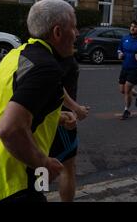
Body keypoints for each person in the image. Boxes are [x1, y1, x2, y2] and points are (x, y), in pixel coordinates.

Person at [0, 0, 78, 202]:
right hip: (14, 185)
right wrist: (43, 163)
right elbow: (9, 129)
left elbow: (8, 106)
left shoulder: (15, 55)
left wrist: (59, 117)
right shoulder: (46, 67)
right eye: (74, 27)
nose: (77, 34)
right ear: (57, 32)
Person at [49, 56, 90, 202]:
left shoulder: (26, 53)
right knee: (66, 167)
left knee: (41, 166)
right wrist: (74, 111)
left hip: (47, 120)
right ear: (57, 32)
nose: (77, 33)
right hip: (60, 122)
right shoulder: (58, 59)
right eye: (72, 31)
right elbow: (54, 86)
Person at [117, 20, 137, 120]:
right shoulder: (125, 38)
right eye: (131, 26)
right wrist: (119, 54)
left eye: (135, 27)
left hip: (136, 68)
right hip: (125, 67)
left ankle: (126, 110)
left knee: (127, 89)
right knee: (122, 90)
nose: (132, 28)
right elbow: (119, 49)